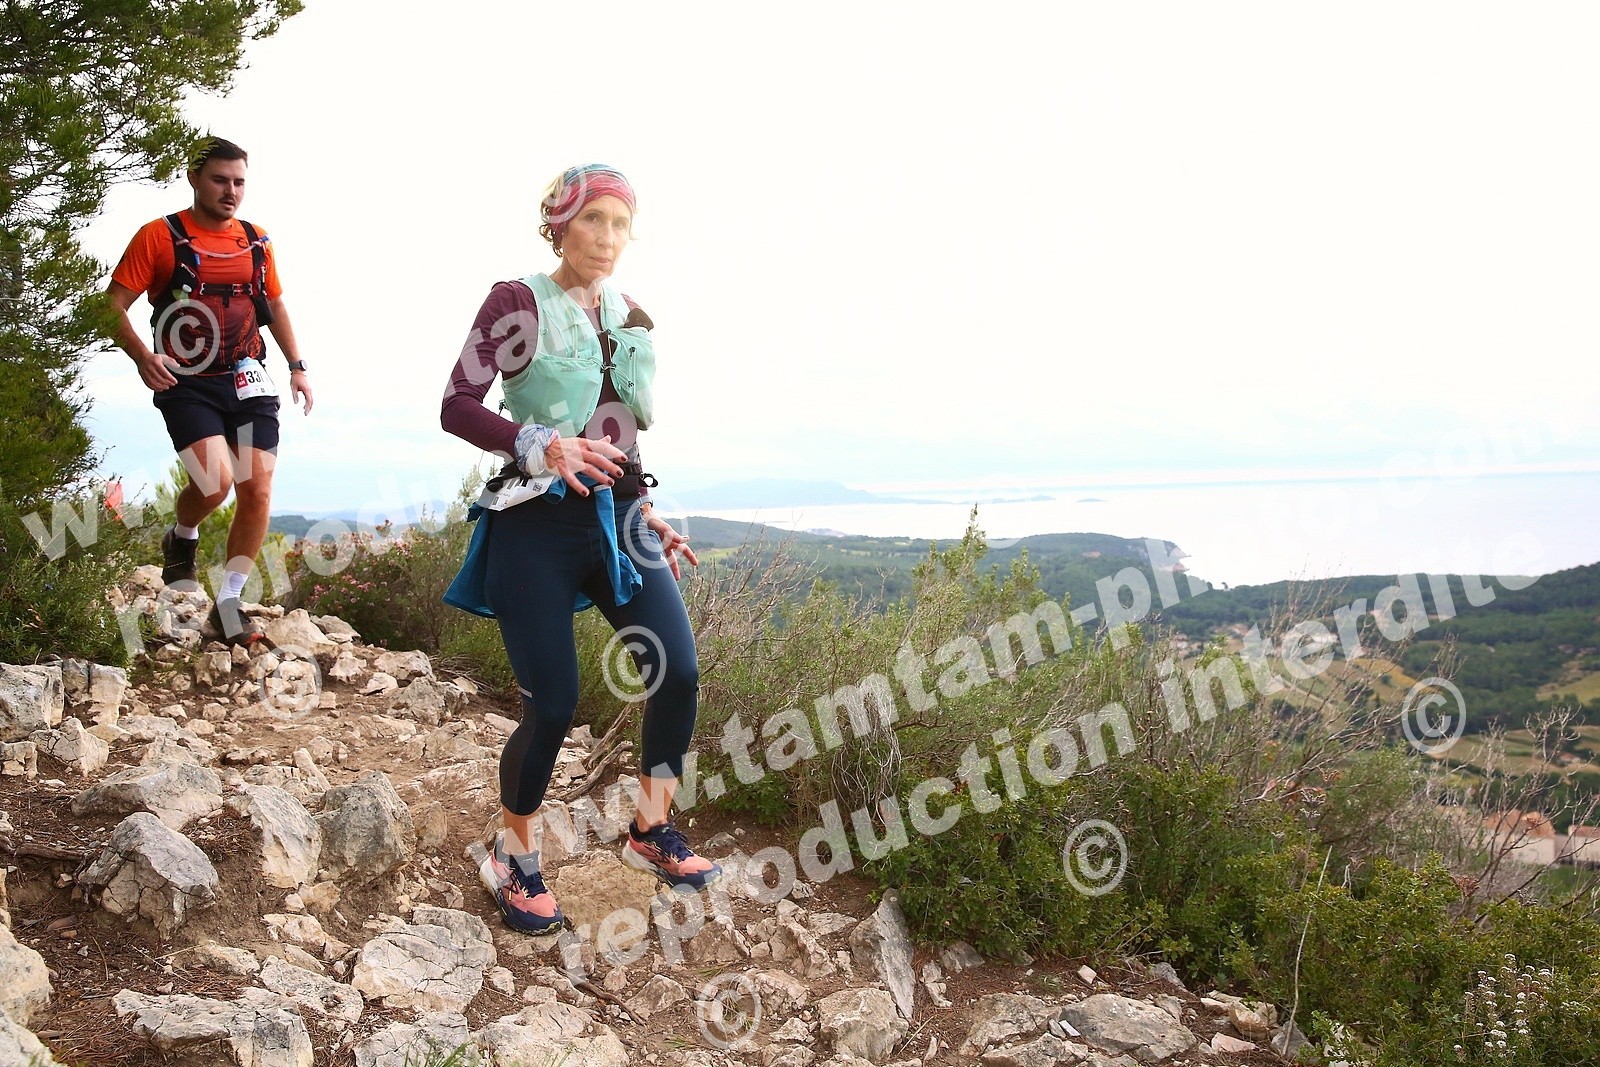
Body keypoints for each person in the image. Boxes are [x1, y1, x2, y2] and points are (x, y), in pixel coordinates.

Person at [441, 163, 719, 933]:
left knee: (678, 672)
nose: (606, 237)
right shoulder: (517, 302)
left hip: (619, 523)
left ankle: (650, 828)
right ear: (559, 224)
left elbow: (617, 424)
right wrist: (542, 443)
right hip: (535, 524)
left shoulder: (632, 316)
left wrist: (645, 506)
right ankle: (513, 856)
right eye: (592, 218)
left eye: (620, 223)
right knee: (553, 704)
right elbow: (456, 405)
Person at [106, 136, 312, 646]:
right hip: (186, 381)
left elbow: (275, 305)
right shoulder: (159, 236)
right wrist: (143, 356)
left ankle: (229, 604)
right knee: (215, 481)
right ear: (194, 178)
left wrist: (297, 366)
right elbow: (111, 305)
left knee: (257, 489)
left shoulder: (256, 240)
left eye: (239, 181)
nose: (231, 191)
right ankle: (182, 536)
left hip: (248, 378)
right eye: (220, 180)